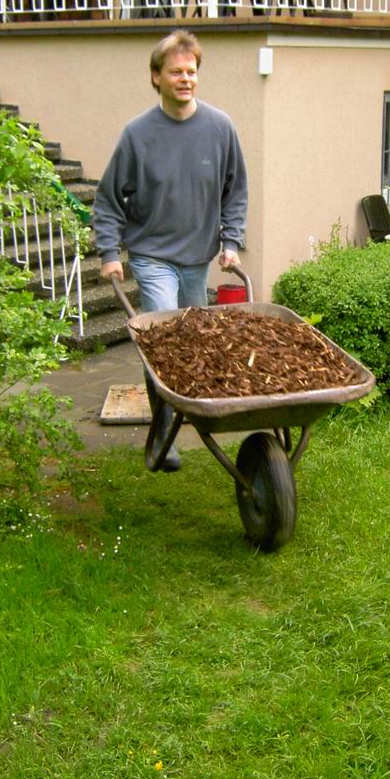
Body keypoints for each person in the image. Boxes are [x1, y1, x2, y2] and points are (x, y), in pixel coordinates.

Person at [93, 30, 248, 471]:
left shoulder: (220, 128)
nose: (186, 79)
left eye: (191, 72)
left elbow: (235, 191)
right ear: (156, 77)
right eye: (176, 72)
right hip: (152, 256)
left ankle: (182, 415)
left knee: (193, 341)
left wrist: (230, 242)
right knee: (164, 339)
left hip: (197, 258)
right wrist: (109, 253)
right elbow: (108, 200)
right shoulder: (137, 135)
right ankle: (163, 433)